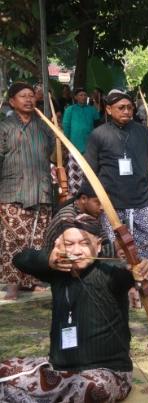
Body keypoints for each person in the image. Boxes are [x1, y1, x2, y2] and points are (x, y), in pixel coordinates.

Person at [1, 214, 148, 402]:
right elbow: (20, 259)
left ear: (98, 246)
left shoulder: (110, 273)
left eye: (84, 243)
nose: (76, 250)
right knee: (6, 369)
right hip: (60, 369)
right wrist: (48, 259)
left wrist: (143, 267)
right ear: (60, 246)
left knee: (93, 387)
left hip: (108, 373)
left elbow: (132, 274)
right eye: (69, 244)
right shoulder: (57, 272)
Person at [84, 89, 148, 295]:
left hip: (142, 196)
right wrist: (93, 198)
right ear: (108, 109)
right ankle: (121, 281)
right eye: (121, 108)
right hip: (111, 200)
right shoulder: (98, 134)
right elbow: (90, 168)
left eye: (129, 107)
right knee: (115, 243)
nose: (126, 111)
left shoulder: (143, 131)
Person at [0, 82, 54, 300]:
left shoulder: (44, 126)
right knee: (12, 240)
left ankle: (33, 280)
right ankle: (13, 284)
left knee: (38, 238)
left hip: (41, 191)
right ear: (12, 101)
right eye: (23, 96)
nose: (29, 99)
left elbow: (52, 153)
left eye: (31, 95)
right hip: (12, 191)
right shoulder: (4, 126)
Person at [62, 87, 102, 194]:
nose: (83, 97)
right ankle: (75, 195)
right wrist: (66, 143)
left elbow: (98, 125)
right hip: (74, 146)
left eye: (85, 95)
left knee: (90, 173)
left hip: (90, 146)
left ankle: (89, 195)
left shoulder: (92, 109)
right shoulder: (70, 110)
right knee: (75, 172)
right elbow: (66, 126)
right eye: (80, 95)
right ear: (75, 97)